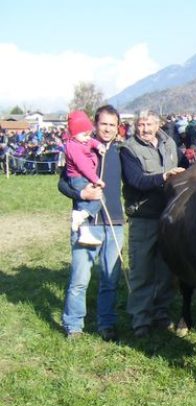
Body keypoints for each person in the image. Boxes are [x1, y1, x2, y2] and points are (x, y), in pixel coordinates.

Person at [59, 105, 124, 341]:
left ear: (118, 128)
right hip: (89, 223)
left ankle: (106, 323)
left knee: (110, 279)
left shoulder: (121, 151)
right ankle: (73, 325)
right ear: (95, 125)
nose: (107, 129)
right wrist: (82, 195)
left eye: (112, 125)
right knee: (79, 279)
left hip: (115, 222)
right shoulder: (80, 147)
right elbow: (62, 184)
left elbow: (138, 178)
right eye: (103, 124)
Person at [121, 110, 185, 338]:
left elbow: (185, 164)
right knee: (142, 270)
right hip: (144, 217)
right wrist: (163, 177)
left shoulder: (169, 144)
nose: (144, 129)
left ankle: (161, 313)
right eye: (140, 124)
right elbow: (135, 180)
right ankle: (141, 319)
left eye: (149, 124)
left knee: (165, 271)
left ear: (158, 124)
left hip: (168, 218)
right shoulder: (129, 149)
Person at [63, 110, 106, 247]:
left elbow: (91, 142)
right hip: (78, 178)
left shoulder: (82, 140)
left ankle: (83, 222)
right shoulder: (73, 147)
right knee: (92, 200)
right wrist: (96, 180)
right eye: (85, 135)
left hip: (83, 177)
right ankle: (81, 218)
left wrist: (98, 145)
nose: (88, 137)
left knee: (96, 200)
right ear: (74, 133)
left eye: (89, 134)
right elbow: (83, 167)